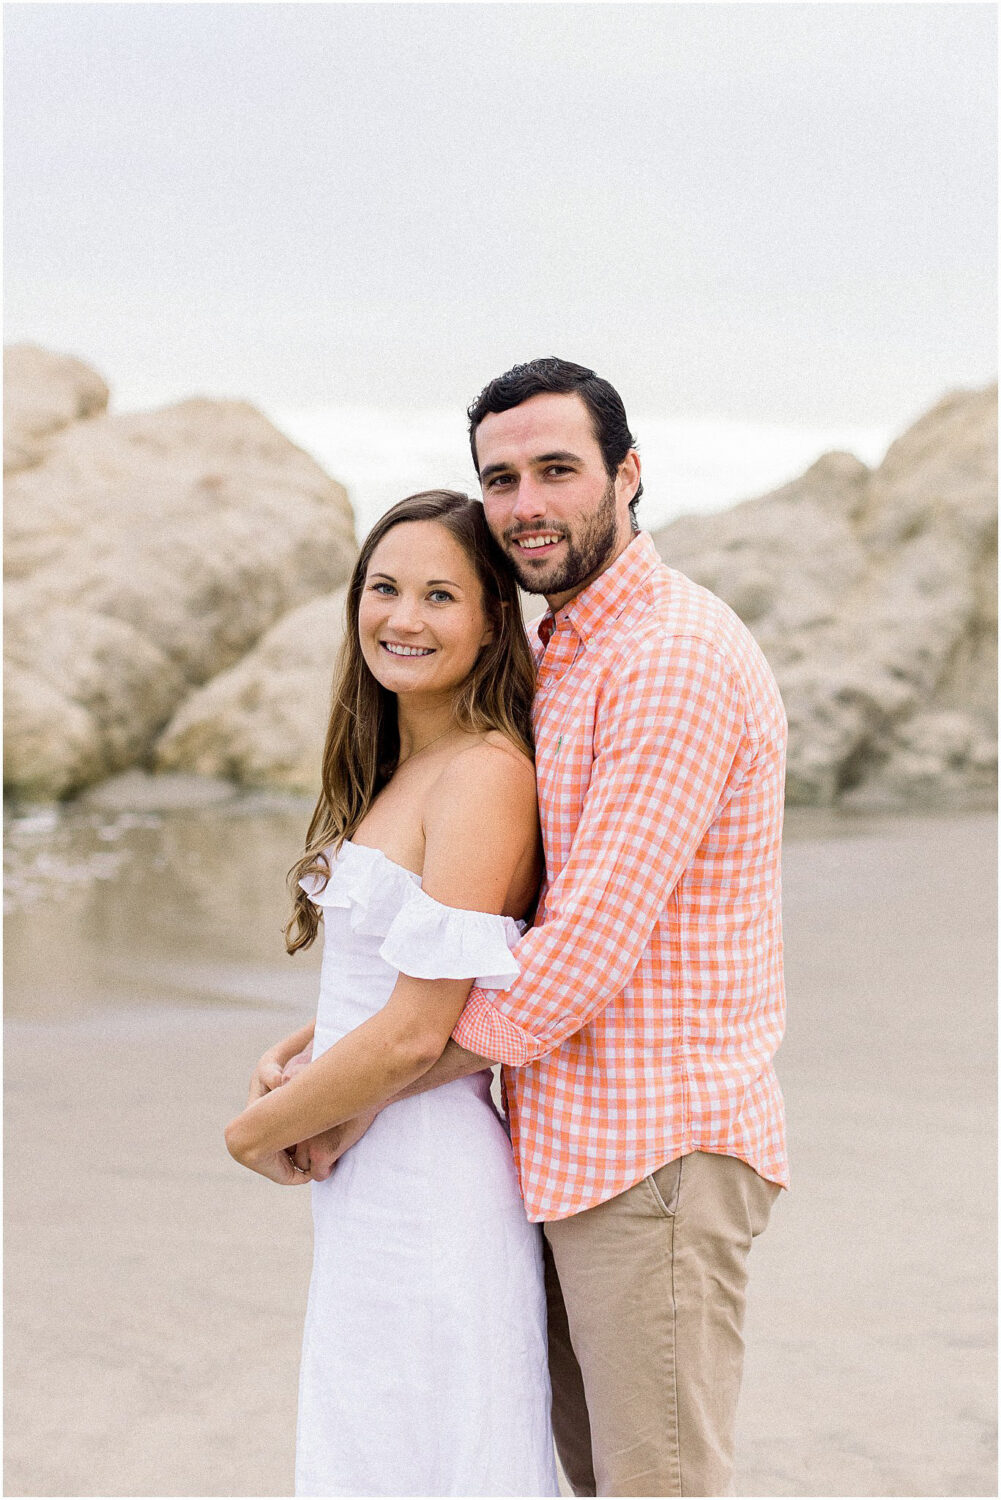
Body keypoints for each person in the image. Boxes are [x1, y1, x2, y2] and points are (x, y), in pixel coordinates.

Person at [285, 358, 790, 1498]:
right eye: (500, 477)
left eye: (555, 470)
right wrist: (338, 1045)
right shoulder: (568, 653)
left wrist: (352, 1079)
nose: (524, 504)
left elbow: (571, 967)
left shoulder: (667, 656)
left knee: (656, 1485)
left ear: (627, 475)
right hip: (559, 1151)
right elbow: (496, 928)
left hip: (655, 1155)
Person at [224, 490, 560, 1498]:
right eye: (383, 588)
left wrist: (250, 1134)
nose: (402, 618)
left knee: (423, 1451)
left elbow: (420, 1035)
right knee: (373, 1446)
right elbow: (407, 983)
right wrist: (311, 1047)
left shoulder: (487, 773)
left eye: (439, 595)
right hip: (373, 1171)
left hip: (426, 1178)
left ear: (493, 618)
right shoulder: (405, 764)